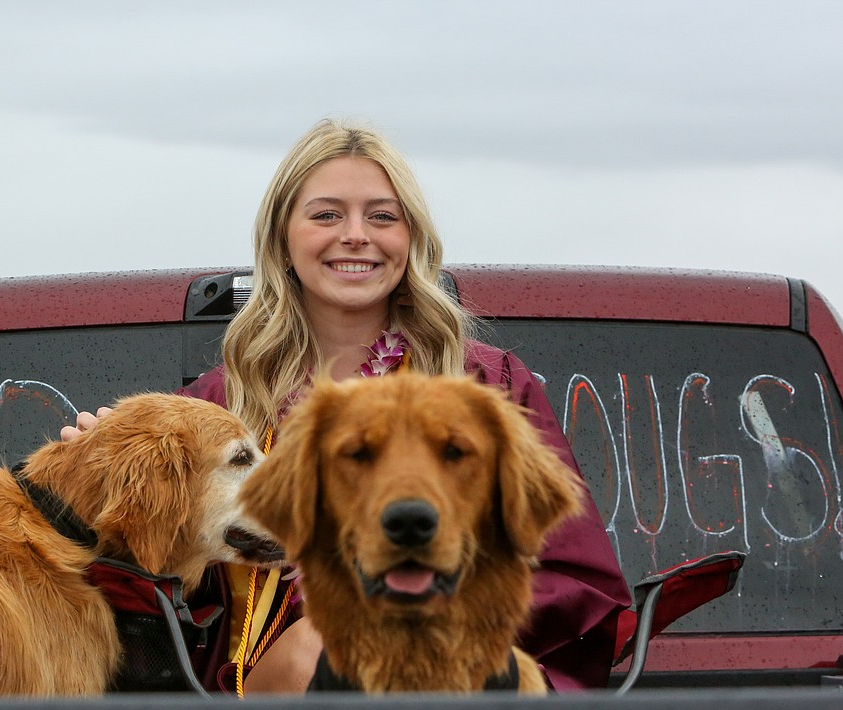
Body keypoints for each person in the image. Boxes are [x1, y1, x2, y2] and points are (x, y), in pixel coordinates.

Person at [63, 118, 631, 694]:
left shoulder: (487, 387)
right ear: (283, 235)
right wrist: (100, 483)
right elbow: (152, 586)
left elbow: (573, 577)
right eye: (327, 215)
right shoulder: (216, 408)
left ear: (412, 238)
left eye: (382, 216)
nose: (356, 235)